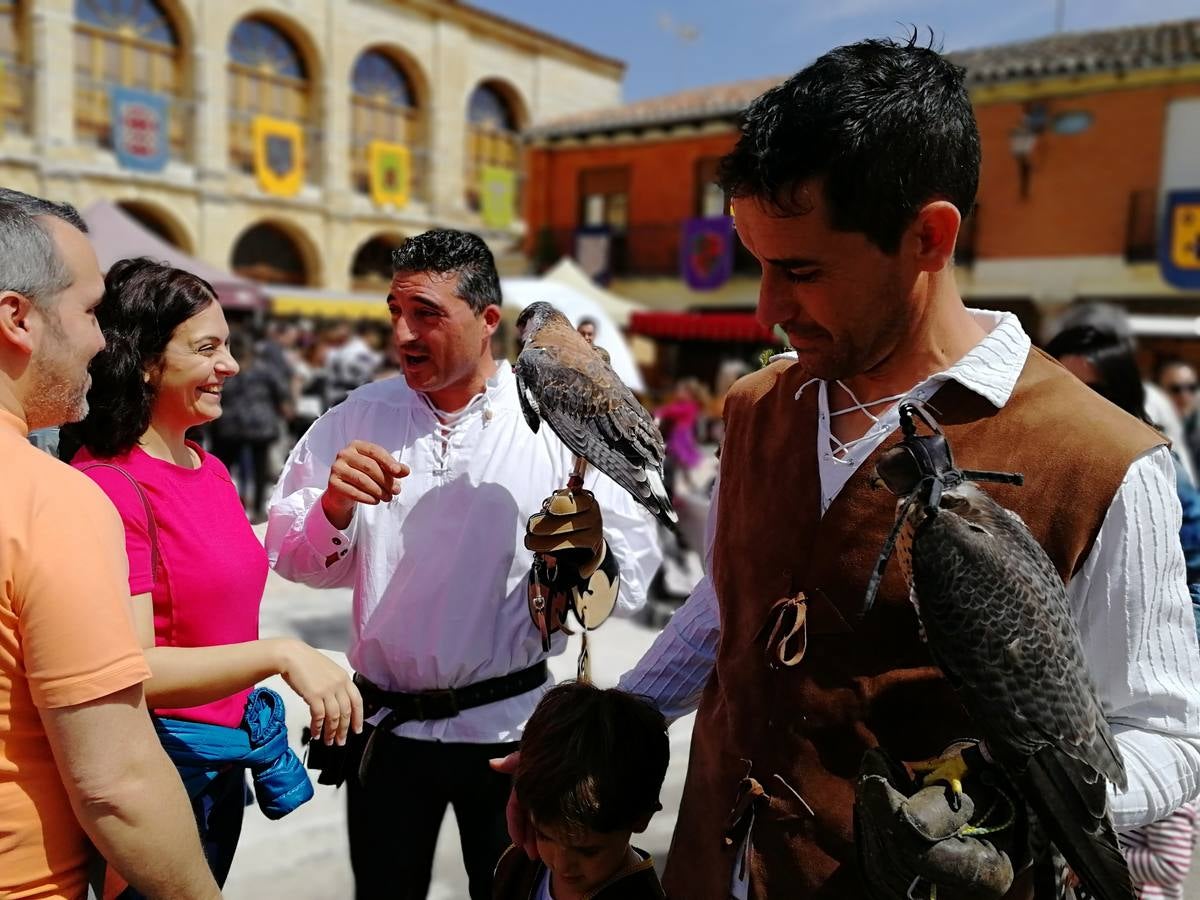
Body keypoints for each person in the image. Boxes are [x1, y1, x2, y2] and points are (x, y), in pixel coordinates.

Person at [506, 37, 1200, 899]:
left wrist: (1007, 808)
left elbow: (1169, 737)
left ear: (928, 237)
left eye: (799, 268)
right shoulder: (761, 406)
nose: (768, 305)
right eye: (757, 263)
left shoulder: (1101, 461)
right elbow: (733, 599)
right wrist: (619, 720)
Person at [266, 228, 661, 900]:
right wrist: (332, 506)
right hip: (388, 736)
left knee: (512, 893)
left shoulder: (550, 410)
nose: (403, 333)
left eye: (427, 314)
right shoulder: (358, 418)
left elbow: (634, 573)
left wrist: (590, 552)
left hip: (512, 737)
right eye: (395, 312)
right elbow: (291, 557)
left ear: (486, 322)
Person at [62, 257, 362, 890]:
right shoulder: (108, 486)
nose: (230, 366)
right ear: (145, 361)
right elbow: (133, 671)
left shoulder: (209, 467)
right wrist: (280, 653)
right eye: (207, 348)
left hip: (219, 766)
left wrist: (333, 507)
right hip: (162, 774)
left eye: (227, 346)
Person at [0, 189, 220, 898]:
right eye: (91, 311)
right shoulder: (52, 500)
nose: (102, 340)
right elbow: (115, 782)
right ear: (18, 319)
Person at [1047, 325, 1200, 642]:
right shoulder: (1028, 464)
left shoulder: (1158, 468)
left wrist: (1175, 645)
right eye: (1066, 389)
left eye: (1098, 391)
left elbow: (1195, 575)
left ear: (1123, 393)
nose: (1081, 403)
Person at [492, 682, 668, 900]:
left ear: (641, 818)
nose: (560, 863)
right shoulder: (520, 867)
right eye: (544, 836)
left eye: (588, 851)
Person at [210, 330, 292, 522]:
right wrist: (285, 409)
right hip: (258, 425)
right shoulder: (263, 368)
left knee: (224, 469)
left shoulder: (223, 368)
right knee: (259, 470)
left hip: (229, 425)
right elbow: (280, 392)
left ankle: (225, 506)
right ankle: (255, 509)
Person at [1157, 357, 1200, 474]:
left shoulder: (1194, 427)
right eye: (1176, 389)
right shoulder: (1156, 433)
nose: (1185, 395)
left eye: (1192, 388)